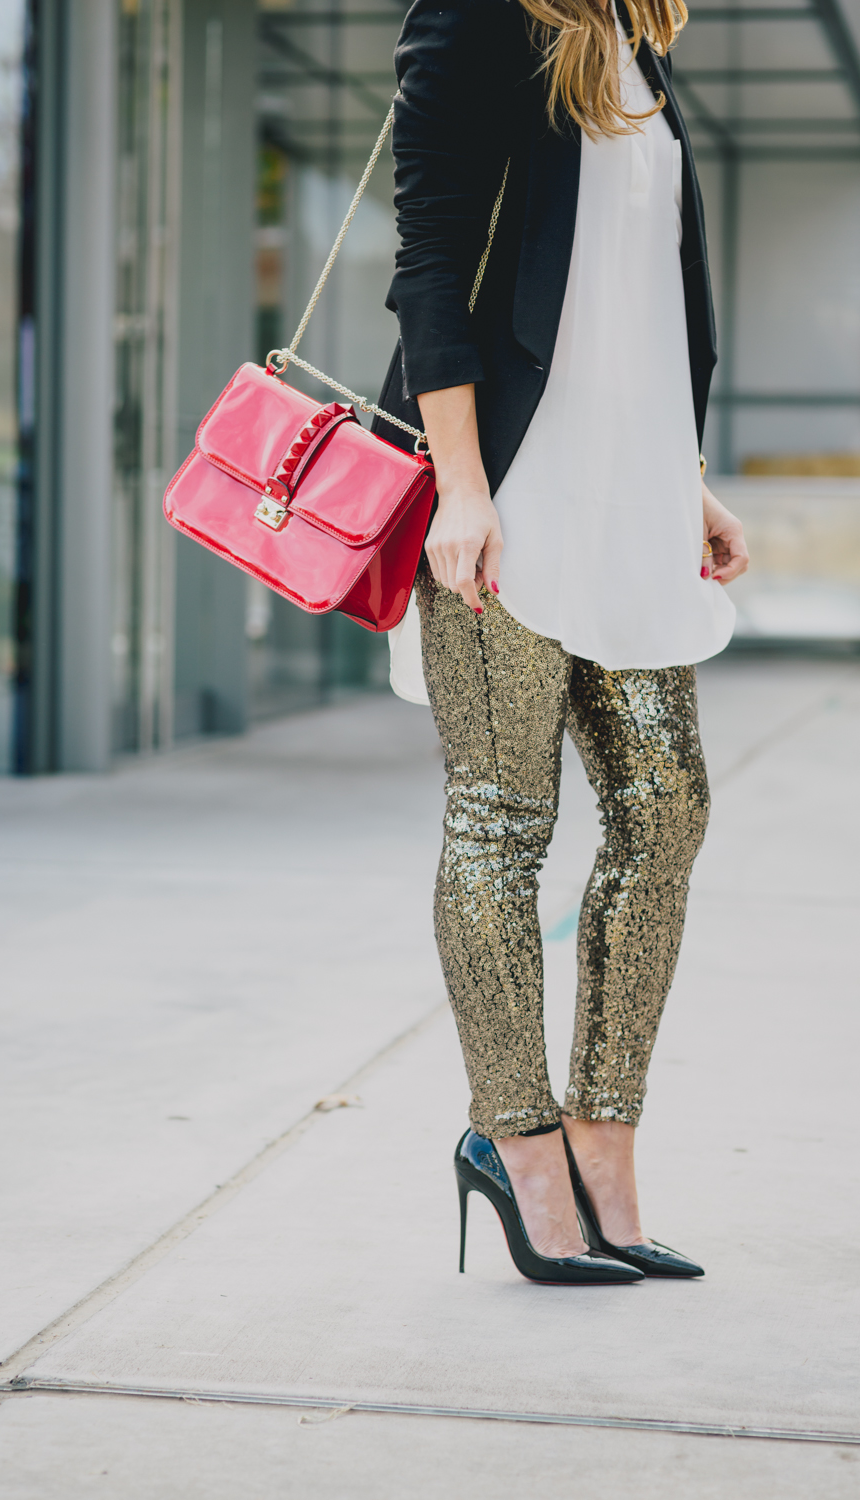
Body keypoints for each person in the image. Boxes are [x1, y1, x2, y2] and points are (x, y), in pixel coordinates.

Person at [372, 0, 749, 1284]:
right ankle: (515, 1140)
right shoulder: (476, 17)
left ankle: (603, 1131)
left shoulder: (632, 37)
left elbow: (639, 298)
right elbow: (426, 259)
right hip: (515, 498)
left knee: (666, 812)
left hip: (629, 505)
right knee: (500, 818)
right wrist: (462, 487)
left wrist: (681, 476)